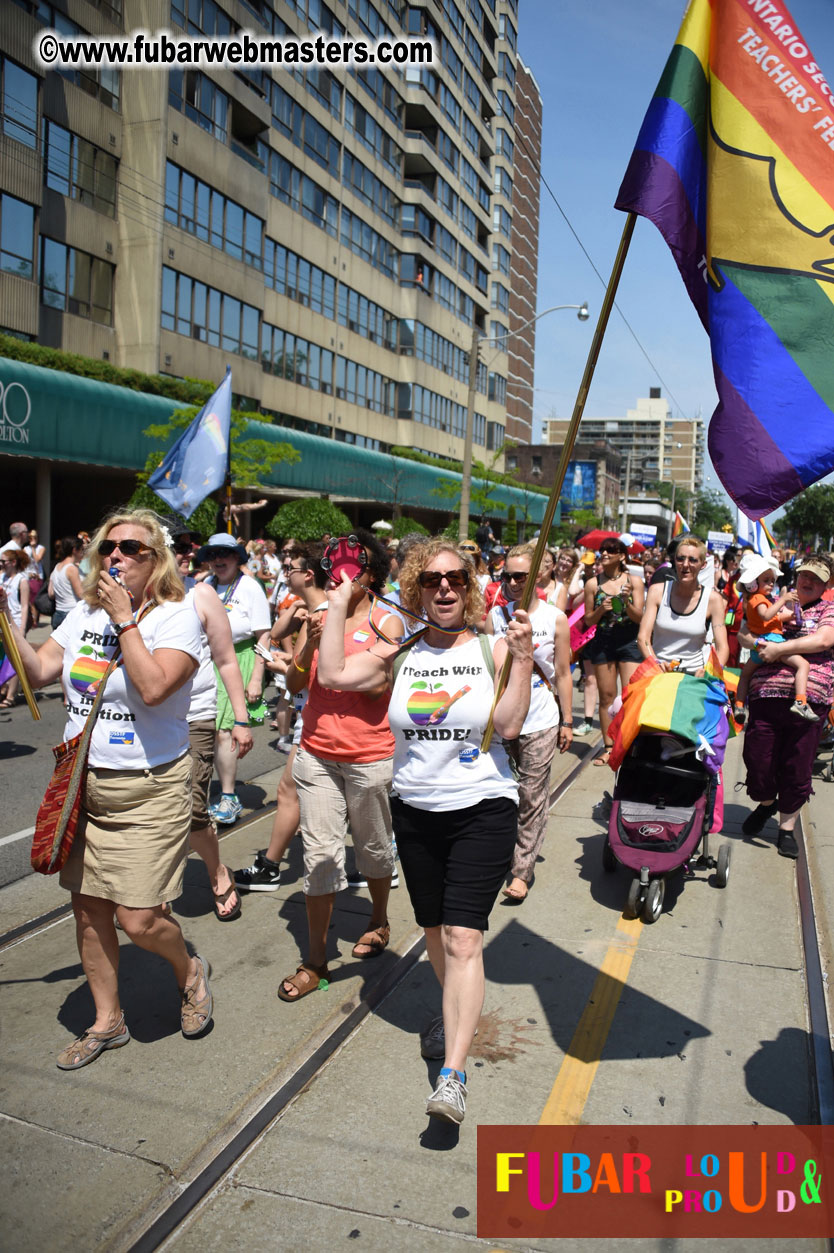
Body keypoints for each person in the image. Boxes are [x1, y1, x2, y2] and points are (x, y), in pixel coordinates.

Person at [316, 538, 533, 1125]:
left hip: (483, 808)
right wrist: (338, 604)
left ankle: (453, 1076)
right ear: (416, 589)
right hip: (415, 810)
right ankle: (452, 1006)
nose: (445, 588)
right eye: (433, 580)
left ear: (469, 588)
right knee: (434, 931)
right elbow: (334, 671)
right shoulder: (401, 655)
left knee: (465, 938)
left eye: (456, 579)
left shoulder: (494, 648)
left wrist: (525, 657)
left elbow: (510, 723)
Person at [0, 509, 212, 1067]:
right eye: (108, 547)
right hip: (85, 784)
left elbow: (155, 687)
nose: (115, 556)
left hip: (150, 788)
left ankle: (189, 969)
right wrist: (6, 621)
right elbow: (42, 670)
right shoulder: (86, 612)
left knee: (139, 918)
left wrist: (126, 622)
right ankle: (107, 1020)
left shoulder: (177, 617)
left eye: (130, 549)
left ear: (157, 560)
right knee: (90, 912)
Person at [278, 529, 403, 1000]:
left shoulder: (387, 622)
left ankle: (378, 917)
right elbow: (294, 684)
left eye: (356, 569)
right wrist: (310, 642)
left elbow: (374, 686)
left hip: (370, 757)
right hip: (316, 755)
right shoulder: (319, 616)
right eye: (338, 569)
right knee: (321, 857)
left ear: (372, 576)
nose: (344, 577)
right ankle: (315, 960)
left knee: (372, 848)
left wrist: (332, 633)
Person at [234, 543, 330, 892]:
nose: (283, 572)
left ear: (308, 574)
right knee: (302, 791)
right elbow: (275, 634)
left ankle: (270, 868)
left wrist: (279, 666)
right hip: (314, 714)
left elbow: (305, 673)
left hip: (317, 718)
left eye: (290, 568)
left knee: (289, 791)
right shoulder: (315, 608)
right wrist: (296, 609)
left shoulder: (321, 616)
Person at [486, 544, 573, 902]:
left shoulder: (555, 618)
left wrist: (567, 720)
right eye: (505, 575)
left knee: (532, 796)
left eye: (518, 576)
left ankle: (522, 870)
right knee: (503, 793)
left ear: (537, 575)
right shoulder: (495, 616)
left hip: (541, 719)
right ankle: (501, 853)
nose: (510, 582)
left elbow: (565, 673)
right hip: (504, 719)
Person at [173, 536, 253, 920]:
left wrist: (241, 718)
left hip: (196, 715)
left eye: (189, 550)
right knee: (157, 812)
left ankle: (217, 871)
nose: (186, 556)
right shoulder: (131, 600)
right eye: (177, 548)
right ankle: (154, 889)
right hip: (150, 723)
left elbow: (225, 660)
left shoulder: (201, 594)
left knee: (190, 809)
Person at [740, 557, 834, 858]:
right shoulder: (776, 600)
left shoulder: (828, 610)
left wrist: (780, 648)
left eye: (816, 579)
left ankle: (786, 828)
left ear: (826, 585)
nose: (808, 581)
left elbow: (823, 640)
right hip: (765, 694)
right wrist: (756, 641)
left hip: (810, 701)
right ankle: (767, 803)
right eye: (804, 575)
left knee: (797, 766)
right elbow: (744, 630)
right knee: (757, 760)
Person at [194, 533, 271, 824]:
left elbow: (264, 634)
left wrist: (256, 678)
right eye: (213, 554)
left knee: (225, 729)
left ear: (237, 557)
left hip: (238, 660)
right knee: (206, 727)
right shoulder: (205, 586)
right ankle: (201, 791)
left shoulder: (250, 587)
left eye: (224, 554)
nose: (218, 560)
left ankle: (228, 797)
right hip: (207, 659)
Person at [583, 538, 645, 765]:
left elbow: (640, 617)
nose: (605, 553)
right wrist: (602, 608)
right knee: (607, 697)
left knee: (630, 695)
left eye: (611, 550)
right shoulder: (592, 584)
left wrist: (626, 602)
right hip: (604, 642)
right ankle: (609, 747)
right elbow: (588, 620)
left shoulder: (634, 581)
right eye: (603, 550)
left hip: (629, 641)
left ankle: (630, 744)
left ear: (622, 555)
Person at [733, 556, 817, 724]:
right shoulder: (758, 599)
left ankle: (739, 705)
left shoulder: (761, 599)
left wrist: (792, 615)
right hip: (774, 643)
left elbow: (777, 617)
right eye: (766, 580)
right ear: (753, 583)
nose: (771, 584)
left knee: (745, 675)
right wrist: (783, 600)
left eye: (772, 580)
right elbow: (766, 615)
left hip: (759, 647)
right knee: (803, 665)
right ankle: (801, 701)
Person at [638, 536, 729, 674]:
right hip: (657, 671)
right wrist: (655, 664)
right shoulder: (657, 591)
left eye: (693, 560)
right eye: (680, 558)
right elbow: (643, 638)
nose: (685, 564)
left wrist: (710, 672)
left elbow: (723, 647)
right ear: (674, 561)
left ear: (703, 565)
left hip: (694, 677)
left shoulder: (713, 599)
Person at [0, 548, 31, 705]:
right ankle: (3, 689)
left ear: (13, 563)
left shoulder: (21, 580)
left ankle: (10, 696)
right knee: (3, 659)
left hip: (16, 623)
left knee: (14, 660)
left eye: (3, 561)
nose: (1, 564)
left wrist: (22, 629)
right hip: (1, 624)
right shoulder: (1, 577)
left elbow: (25, 606)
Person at [49, 535, 85, 628]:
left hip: (58, 613)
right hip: (72, 613)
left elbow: (51, 593)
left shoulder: (57, 567)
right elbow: (80, 594)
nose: (83, 553)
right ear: (74, 550)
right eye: (81, 550)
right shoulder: (71, 569)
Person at [24, 528, 46, 628]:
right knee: (29, 600)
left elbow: (37, 559)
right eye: (30, 537)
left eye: (35, 537)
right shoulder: (25, 549)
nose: (33, 539)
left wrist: (33, 548)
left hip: (38, 577)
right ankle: (33, 620)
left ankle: (35, 620)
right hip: (28, 576)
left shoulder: (41, 548)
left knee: (35, 600)